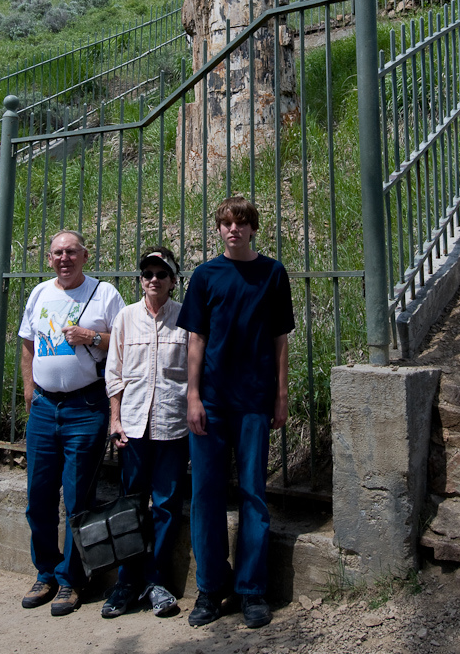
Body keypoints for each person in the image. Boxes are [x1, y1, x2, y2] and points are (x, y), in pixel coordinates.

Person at [177, 196, 295, 630]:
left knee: (253, 494)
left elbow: (280, 339)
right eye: (227, 223)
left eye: (241, 223)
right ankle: (210, 588)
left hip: (254, 400)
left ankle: (251, 589)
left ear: (253, 228)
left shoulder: (273, 273)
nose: (234, 229)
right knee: (206, 495)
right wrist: (193, 396)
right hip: (211, 401)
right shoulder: (205, 276)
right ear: (219, 229)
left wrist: (281, 395)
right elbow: (195, 340)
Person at [19, 230, 126, 616]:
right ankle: (46, 572)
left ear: (85, 256)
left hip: (86, 406)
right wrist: (29, 389)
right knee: (39, 497)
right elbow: (28, 345)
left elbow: (124, 343)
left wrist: (91, 337)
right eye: (57, 253)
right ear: (49, 259)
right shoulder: (39, 293)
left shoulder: (104, 293)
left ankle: (72, 579)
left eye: (71, 252)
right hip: (45, 408)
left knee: (78, 498)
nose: (64, 258)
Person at [101, 246, 189, 619]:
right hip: (133, 427)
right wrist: (115, 418)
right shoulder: (125, 318)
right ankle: (126, 583)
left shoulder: (186, 318)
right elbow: (114, 372)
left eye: (161, 273)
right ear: (141, 280)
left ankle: (156, 582)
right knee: (131, 505)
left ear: (173, 280)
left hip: (173, 426)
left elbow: (194, 371)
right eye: (148, 273)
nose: (154, 279)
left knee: (166, 505)